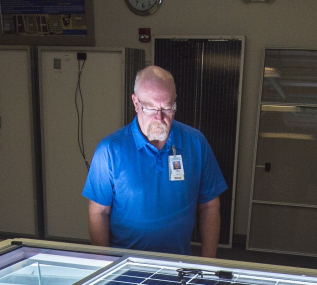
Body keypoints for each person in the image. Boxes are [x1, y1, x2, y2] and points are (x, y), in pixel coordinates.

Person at [82, 66, 227, 258]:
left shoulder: (195, 143)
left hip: (178, 265)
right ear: (135, 102)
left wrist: (207, 265)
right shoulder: (110, 150)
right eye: (150, 108)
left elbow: (209, 205)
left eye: (167, 108)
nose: (159, 118)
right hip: (126, 267)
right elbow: (99, 212)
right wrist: (105, 264)